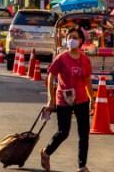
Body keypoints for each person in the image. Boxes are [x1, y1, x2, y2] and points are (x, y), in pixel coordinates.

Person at [41, 27, 94, 172]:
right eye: (69, 37)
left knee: (84, 134)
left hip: (82, 100)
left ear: (81, 40)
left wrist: (92, 99)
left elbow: (88, 80)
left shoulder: (85, 60)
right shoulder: (61, 58)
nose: (71, 40)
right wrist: (51, 99)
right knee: (63, 132)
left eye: (75, 37)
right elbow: (51, 77)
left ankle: (82, 166)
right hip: (63, 100)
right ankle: (46, 152)